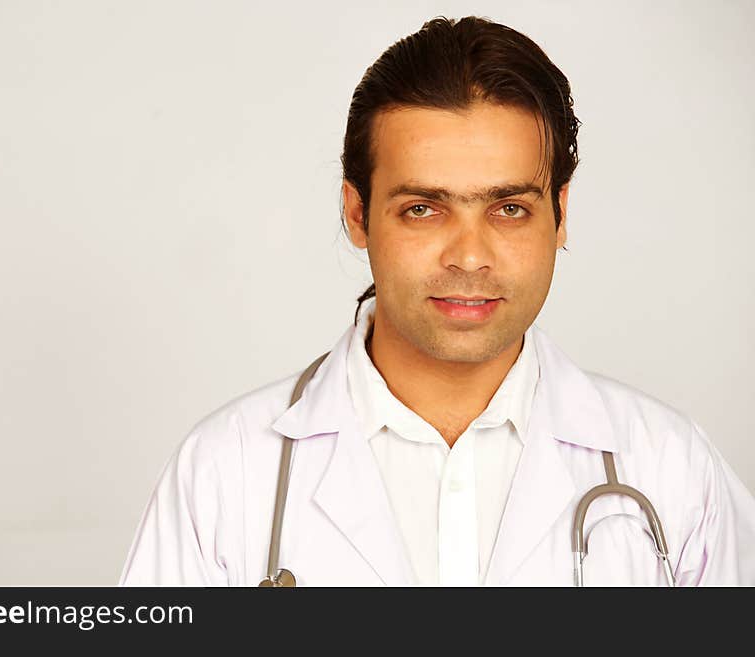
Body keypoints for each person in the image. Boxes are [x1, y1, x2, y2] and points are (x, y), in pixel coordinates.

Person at [119, 15, 755, 586]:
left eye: (509, 208)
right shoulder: (224, 475)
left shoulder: (673, 471)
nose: (469, 256)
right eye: (423, 209)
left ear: (560, 216)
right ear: (357, 213)